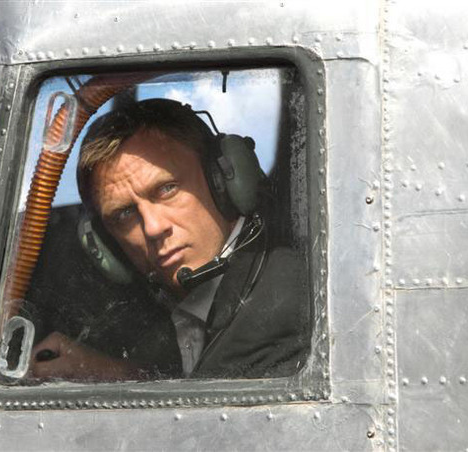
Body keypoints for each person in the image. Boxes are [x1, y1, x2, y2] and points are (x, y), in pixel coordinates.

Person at [29, 98, 310, 380]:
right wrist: (112, 371)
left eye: (167, 189)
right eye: (124, 214)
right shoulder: (170, 312)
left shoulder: (289, 304)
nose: (153, 228)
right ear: (106, 244)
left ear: (223, 181)